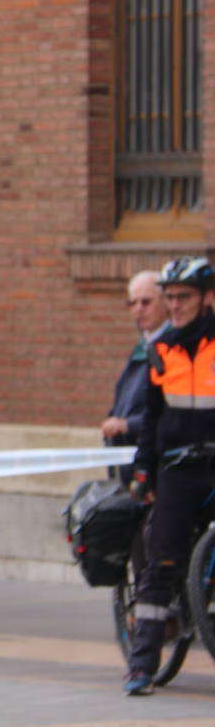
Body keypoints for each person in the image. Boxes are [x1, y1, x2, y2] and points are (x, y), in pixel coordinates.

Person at [126, 256, 215, 695]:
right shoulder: (162, 350)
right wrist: (143, 471)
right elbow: (152, 417)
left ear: (207, 298)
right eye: (171, 298)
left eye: (185, 298)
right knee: (160, 561)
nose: (175, 306)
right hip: (178, 466)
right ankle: (141, 664)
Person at [101, 270, 168, 485]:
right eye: (132, 303)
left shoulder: (169, 349)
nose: (138, 309)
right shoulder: (142, 347)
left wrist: (128, 424)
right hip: (130, 460)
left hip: (157, 463)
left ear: (164, 302)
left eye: (146, 302)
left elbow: (166, 411)